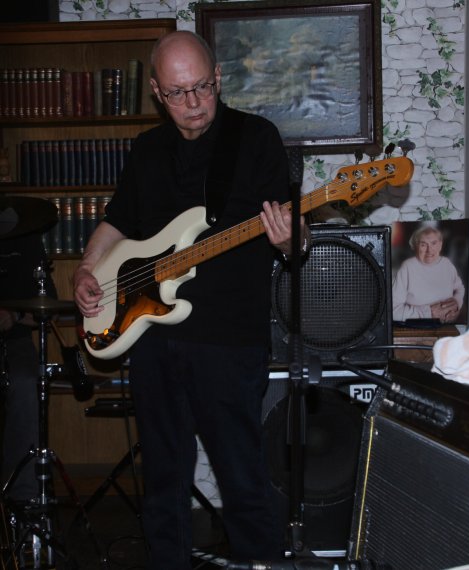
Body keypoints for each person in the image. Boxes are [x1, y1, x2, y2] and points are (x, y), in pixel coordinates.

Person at [73, 30, 308, 570]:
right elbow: (117, 221)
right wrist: (86, 267)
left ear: (218, 78)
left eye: (202, 86)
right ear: (157, 91)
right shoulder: (146, 149)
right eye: (178, 92)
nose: (194, 102)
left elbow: (294, 235)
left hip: (228, 339)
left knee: (242, 480)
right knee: (163, 482)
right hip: (151, 336)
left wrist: (290, 240)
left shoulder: (255, 138)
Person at [0, 231, 56, 503]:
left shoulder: (25, 239)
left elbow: (48, 306)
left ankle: (24, 498)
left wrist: (14, 315)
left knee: (26, 382)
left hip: (15, 341)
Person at [392, 225, 465, 323]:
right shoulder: (407, 267)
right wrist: (428, 313)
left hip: (445, 327)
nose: (429, 250)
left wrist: (457, 303)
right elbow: (393, 311)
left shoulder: (447, 264)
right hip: (416, 328)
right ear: (416, 246)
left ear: (440, 245)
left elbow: (460, 288)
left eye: (434, 243)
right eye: (423, 245)